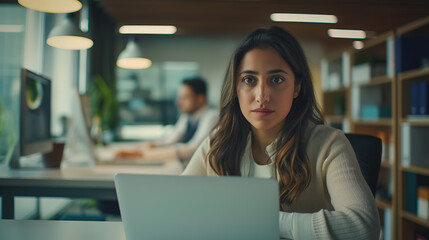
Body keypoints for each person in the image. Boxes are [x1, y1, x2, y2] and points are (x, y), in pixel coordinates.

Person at [182, 26, 380, 239]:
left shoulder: (330, 144)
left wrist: (262, 221)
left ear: (297, 87)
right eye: (249, 80)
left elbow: (364, 226)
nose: (262, 96)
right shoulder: (218, 142)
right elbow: (176, 205)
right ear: (236, 88)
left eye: (276, 80)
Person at [116, 77, 218, 166]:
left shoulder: (212, 116)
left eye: (185, 97)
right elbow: (169, 141)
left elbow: (191, 150)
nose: (179, 102)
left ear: (200, 99)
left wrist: (141, 155)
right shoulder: (187, 116)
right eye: (179, 97)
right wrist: (139, 148)